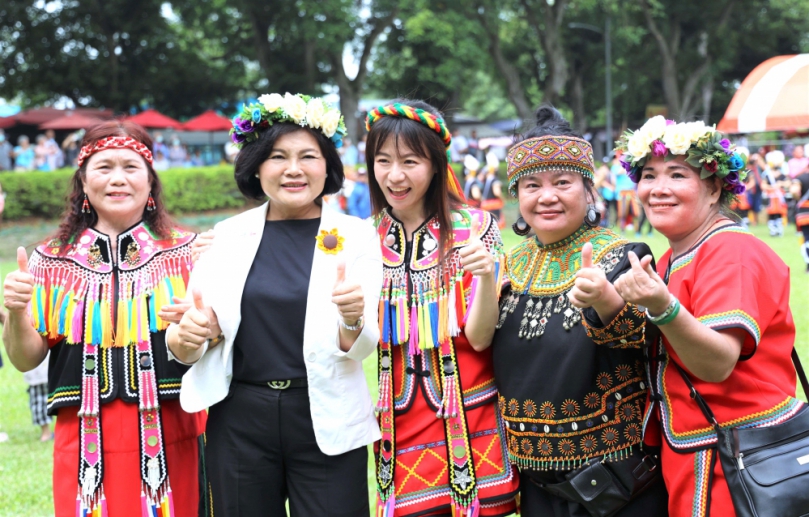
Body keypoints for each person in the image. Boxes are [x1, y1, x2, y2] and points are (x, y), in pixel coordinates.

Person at [170, 92, 382, 516]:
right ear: (257, 167)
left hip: (326, 414)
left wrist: (354, 317)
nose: (293, 169)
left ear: (328, 167)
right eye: (277, 157)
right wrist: (188, 335)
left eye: (308, 156)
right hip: (240, 419)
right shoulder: (227, 235)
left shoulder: (356, 236)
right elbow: (187, 344)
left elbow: (361, 347)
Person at [2, 120, 207, 516]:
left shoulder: (188, 254)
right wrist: (14, 312)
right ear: (82, 182)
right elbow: (26, 359)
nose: (118, 179)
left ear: (151, 182)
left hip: (173, 431)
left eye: (131, 167)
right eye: (104, 167)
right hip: (82, 441)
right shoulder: (51, 261)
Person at [614, 117, 804, 517]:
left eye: (677, 175)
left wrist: (662, 307)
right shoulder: (671, 257)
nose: (658, 189)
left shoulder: (731, 251)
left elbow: (716, 363)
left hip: (738, 459)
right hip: (696, 453)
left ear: (714, 186)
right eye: (649, 175)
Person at [487, 107, 667, 517]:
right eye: (531, 184)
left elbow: (643, 337)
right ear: (517, 196)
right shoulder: (508, 267)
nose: (546, 196)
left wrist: (605, 298)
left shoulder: (625, 255)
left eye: (562, 182)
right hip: (535, 486)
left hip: (617, 484)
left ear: (588, 191)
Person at [365, 99, 519, 516]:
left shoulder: (475, 229)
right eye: (382, 161)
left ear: (435, 164)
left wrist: (487, 276)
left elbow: (480, 336)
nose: (394, 176)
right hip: (397, 420)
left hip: (472, 414)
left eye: (410, 161)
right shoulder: (361, 239)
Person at [23, 352, 53, 441]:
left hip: (38, 368)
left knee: (39, 400)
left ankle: (46, 432)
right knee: (40, 400)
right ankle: (46, 433)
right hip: (39, 370)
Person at [762, 150, 789, 236]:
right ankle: (773, 230)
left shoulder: (782, 175)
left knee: (780, 214)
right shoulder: (767, 175)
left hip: (779, 198)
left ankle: (779, 230)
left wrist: (780, 184)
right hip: (771, 198)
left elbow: (788, 183)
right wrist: (771, 187)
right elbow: (763, 185)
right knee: (771, 214)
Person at [480, 151, 505, 228]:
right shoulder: (494, 180)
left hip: (485, 205)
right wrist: (502, 198)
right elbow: (496, 192)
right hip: (493, 205)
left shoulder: (487, 179)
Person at [791, 169, 809, 272]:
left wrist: (797, 199)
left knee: (807, 238)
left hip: (805, 213)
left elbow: (793, 190)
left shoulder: (801, 177)